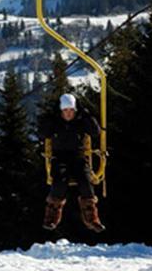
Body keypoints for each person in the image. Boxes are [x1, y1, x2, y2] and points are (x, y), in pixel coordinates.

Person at [39, 93, 105, 232]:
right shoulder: (55, 122)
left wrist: (86, 115)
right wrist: (49, 118)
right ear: (61, 111)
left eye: (71, 111)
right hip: (59, 157)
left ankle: (92, 219)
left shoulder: (80, 121)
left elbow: (95, 132)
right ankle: (51, 218)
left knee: (86, 181)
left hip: (78, 157)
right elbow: (43, 133)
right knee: (59, 182)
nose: (68, 114)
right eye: (65, 111)